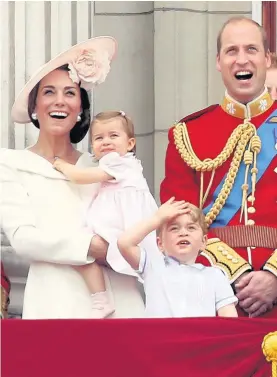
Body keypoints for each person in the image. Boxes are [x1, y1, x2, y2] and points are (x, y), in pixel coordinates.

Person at [0, 36, 145, 319]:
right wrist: (92, 247)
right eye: (49, 92)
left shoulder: (102, 165)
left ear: (81, 108)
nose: (60, 102)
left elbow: (135, 215)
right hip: (55, 302)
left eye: (70, 93)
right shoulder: (11, 164)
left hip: (122, 300)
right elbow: (23, 238)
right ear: (35, 107)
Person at [160, 17, 277, 318]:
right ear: (218, 61)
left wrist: (274, 277)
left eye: (251, 49)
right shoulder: (188, 134)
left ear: (266, 58)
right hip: (212, 295)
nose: (241, 59)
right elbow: (176, 222)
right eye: (231, 50)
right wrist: (233, 275)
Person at [53, 110, 158, 318]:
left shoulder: (119, 163)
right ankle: (101, 298)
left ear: (130, 144)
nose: (106, 141)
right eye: (99, 138)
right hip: (120, 224)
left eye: (114, 135)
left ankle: (100, 298)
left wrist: (62, 165)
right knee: (82, 252)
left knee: (80, 249)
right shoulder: (126, 164)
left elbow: (81, 177)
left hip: (120, 227)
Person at [117, 198, 238, 318]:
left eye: (191, 228)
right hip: (161, 336)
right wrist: (157, 219)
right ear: (160, 244)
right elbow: (124, 243)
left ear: (203, 241)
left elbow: (229, 319)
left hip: (199, 337)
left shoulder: (215, 275)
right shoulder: (152, 267)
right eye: (174, 228)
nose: (183, 233)